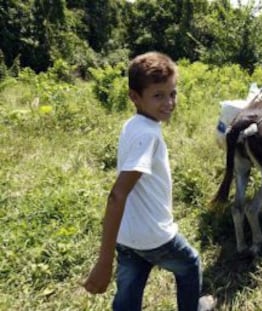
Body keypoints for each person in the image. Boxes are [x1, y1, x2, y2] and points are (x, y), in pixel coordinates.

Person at [83, 51, 216, 311]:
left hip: (128, 235)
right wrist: (103, 261)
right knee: (190, 264)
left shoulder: (133, 125)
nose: (169, 102)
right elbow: (117, 195)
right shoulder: (148, 136)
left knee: (129, 290)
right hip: (156, 236)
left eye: (172, 93)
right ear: (135, 96)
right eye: (158, 95)